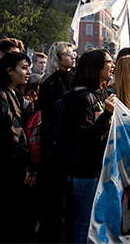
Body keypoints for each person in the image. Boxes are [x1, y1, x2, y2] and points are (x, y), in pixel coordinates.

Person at [0, 52, 35, 242]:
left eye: (28, 67)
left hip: (7, 165)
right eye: (24, 67)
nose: (28, 72)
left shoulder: (13, 93)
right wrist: (27, 162)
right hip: (0, 168)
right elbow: (12, 133)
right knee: (4, 222)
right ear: (10, 71)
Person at [62, 49, 116, 243]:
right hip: (85, 171)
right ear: (95, 67)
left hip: (99, 169)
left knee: (97, 221)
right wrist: (108, 115)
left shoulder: (101, 95)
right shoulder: (81, 99)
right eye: (108, 62)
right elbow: (85, 136)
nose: (113, 66)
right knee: (85, 223)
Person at [37, 41, 77, 243]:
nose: (73, 57)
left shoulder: (76, 79)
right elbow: (49, 116)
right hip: (55, 146)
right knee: (53, 199)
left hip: (72, 146)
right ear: (58, 58)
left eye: (73, 54)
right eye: (68, 54)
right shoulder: (50, 83)